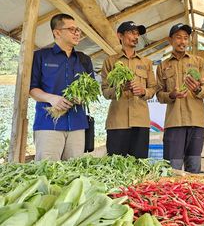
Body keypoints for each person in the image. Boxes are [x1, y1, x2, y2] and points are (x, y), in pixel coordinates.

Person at [30, 13, 94, 161]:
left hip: (77, 124)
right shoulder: (41, 56)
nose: (77, 33)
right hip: (48, 124)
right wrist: (51, 98)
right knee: (47, 171)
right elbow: (32, 89)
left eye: (78, 30)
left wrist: (82, 97)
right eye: (72, 29)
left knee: (74, 172)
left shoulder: (84, 59)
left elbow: (91, 89)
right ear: (57, 32)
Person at [156, 23, 204, 173]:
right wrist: (171, 95)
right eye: (178, 37)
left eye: (186, 38)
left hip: (196, 121)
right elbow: (159, 95)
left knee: (193, 167)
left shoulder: (198, 62)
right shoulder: (163, 66)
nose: (182, 42)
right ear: (170, 40)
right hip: (174, 123)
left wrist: (197, 89)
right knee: (172, 169)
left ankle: (194, 197)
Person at [101, 21, 156, 158]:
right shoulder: (110, 61)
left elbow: (153, 88)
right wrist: (119, 89)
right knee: (116, 166)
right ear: (120, 35)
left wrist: (144, 91)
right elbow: (105, 91)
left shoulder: (146, 62)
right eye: (132, 33)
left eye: (137, 34)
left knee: (139, 164)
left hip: (141, 121)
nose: (136, 36)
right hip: (117, 122)